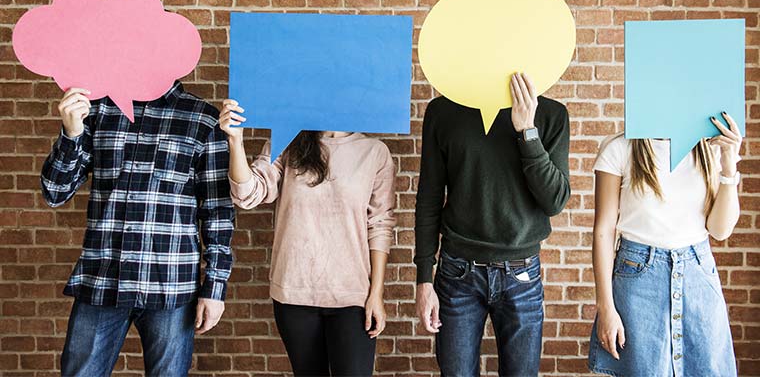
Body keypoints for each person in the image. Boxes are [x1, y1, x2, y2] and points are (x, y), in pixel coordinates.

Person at [41, 82, 235, 377]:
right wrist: (72, 133)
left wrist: (215, 288)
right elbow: (55, 191)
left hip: (171, 285)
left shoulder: (202, 119)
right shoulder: (97, 110)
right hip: (102, 278)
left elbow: (217, 212)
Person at [219, 99, 396, 377]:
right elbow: (247, 194)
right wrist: (235, 141)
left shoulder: (375, 152)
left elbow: (380, 225)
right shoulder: (288, 141)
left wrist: (376, 294)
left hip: (351, 296)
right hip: (294, 293)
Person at [414, 72, 571, 376]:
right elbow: (429, 199)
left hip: (521, 274)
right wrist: (424, 278)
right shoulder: (443, 111)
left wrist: (527, 130)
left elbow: (555, 201)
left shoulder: (551, 114)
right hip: (458, 273)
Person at [588, 112, 742, 376]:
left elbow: (719, 230)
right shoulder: (620, 148)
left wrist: (729, 169)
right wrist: (606, 307)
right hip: (638, 279)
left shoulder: (708, 149)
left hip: (698, 275)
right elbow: (603, 230)